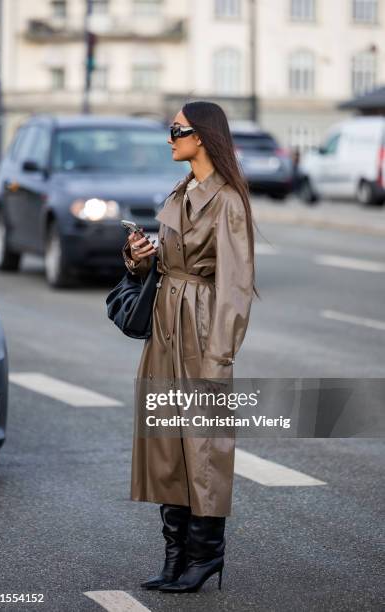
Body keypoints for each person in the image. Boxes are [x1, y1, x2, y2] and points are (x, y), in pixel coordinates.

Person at [121, 100, 258, 593]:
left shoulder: (228, 200)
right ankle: (174, 557)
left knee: (203, 444)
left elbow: (236, 286)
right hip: (166, 324)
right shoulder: (182, 189)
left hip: (201, 329)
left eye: (175, 129)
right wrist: (139, 259)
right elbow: (166, 264)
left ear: (200, 135)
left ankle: (206, 556)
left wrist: (220, 356)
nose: (169, 137)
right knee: (167, 443)